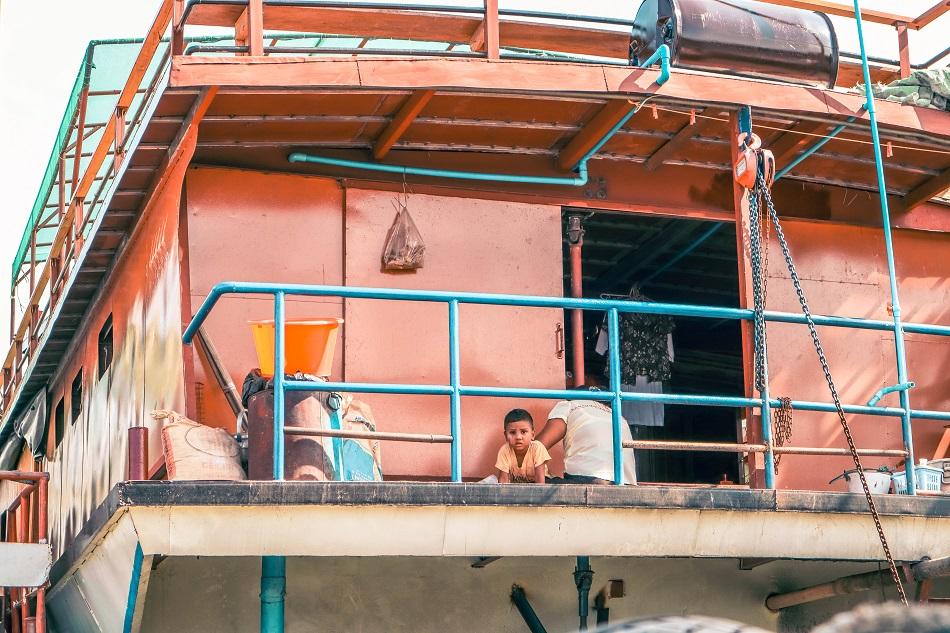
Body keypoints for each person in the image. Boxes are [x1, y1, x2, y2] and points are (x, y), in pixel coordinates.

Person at [536, 381, 637, 485]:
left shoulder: (570, 405)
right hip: (627, 485)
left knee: (534, 480)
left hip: (590, 481)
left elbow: (536, 447)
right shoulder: (619, 417)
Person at [494, 409, 552, 484]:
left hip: (543, 483)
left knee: (558, 486)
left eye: (523, 432)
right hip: (520, 486)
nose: (518, 437)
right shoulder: (505, 450)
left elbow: (540, 480)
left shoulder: (537, 447)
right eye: (512, 432)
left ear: (532, 434)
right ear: (505, 435)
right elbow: (503, 481)